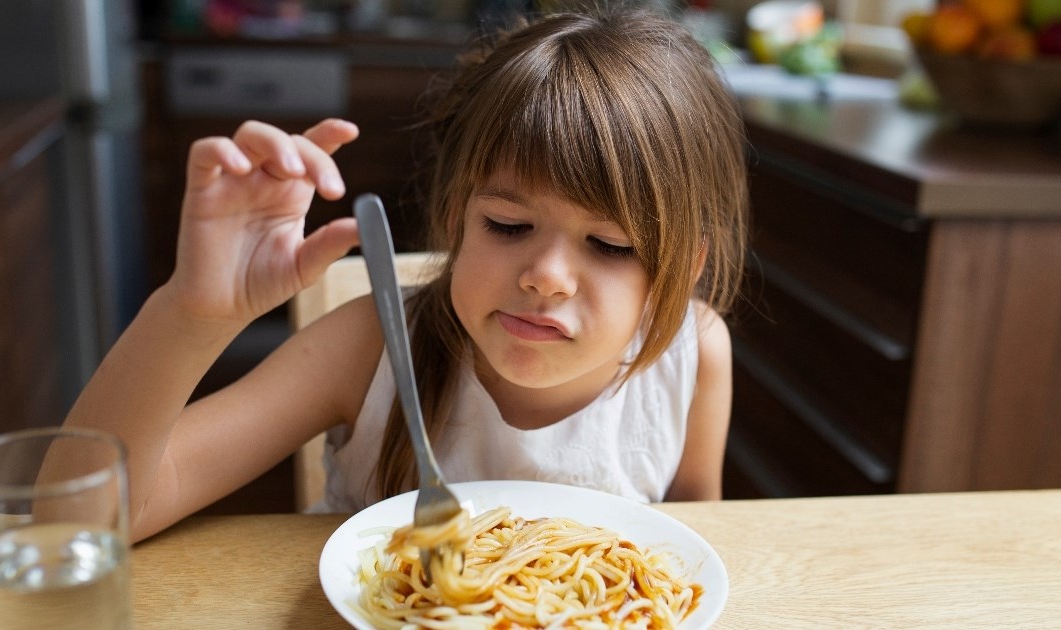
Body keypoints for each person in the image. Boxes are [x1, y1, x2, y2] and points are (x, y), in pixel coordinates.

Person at [62, 6, 748, 543]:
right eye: (508, 227)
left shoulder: (692, 354)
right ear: (455, 216)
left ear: (682, 269)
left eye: (609, 244)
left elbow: (691, 542)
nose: (547, 277)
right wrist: (191, 314)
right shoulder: (369, 350)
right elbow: (80, 521)